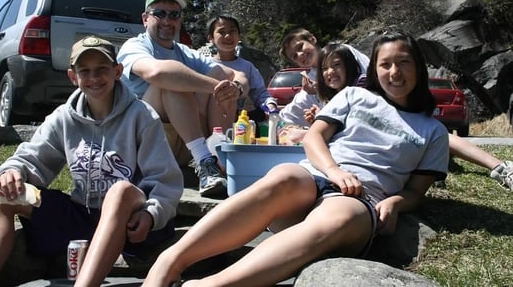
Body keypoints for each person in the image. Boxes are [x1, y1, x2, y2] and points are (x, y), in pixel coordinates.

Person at [142, 30, 450, 287]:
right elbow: (315, 137)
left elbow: (415, 192)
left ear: (419, 68)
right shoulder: (354, 96)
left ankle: (209, 285)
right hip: (314, 178)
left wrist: (396, 202)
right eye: (385, 65)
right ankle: (169, 261)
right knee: (285, 174)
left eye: (403, 63)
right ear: (375, 69)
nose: (394, 73)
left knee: (338, 218)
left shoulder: (433, 130)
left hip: (360, 198)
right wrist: (333, 170)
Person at [0, 36, 184, 286]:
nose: (94, 78)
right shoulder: (64, 117)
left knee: (120, 191)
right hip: (82, 216)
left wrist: (151, 213)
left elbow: (164, 180)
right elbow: (33, 158)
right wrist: (13, 171)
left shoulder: (141, 116)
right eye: (85, 71)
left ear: (117, 71)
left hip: (133, 222)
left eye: (102, 69)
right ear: (73, 77)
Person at [280, 27, 513, 191]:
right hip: (366, 145)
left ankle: (499, 167)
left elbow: (373, 77)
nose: (300, 54)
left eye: (301, 46)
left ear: (312, 38)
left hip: (390, 112)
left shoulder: (345, 54)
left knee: (436, 135)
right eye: (294, 55)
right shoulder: (313, 80)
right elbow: (290, 114)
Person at [117, 0, 248, 197]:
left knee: (223, 83)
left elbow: (237, 74)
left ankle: (216, 158)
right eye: (159, 13)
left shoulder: (185, 52)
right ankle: (205, 162)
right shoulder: (134, 45)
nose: (167, 21)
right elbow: (156, 72)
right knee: (170, 80)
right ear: (145, 19)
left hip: (181, 146)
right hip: (146, 145)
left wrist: (235, 88)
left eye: (174, 15)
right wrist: (215, 87)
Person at [205, 15, 277, 120]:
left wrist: (270, 105)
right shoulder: (204, 64)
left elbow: (260, 93)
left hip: (240, 123)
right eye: (222, 32)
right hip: (210, 121)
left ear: (239, 36)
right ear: (211, 38)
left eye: (232, 31)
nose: (228, 36)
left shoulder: (247, 66)